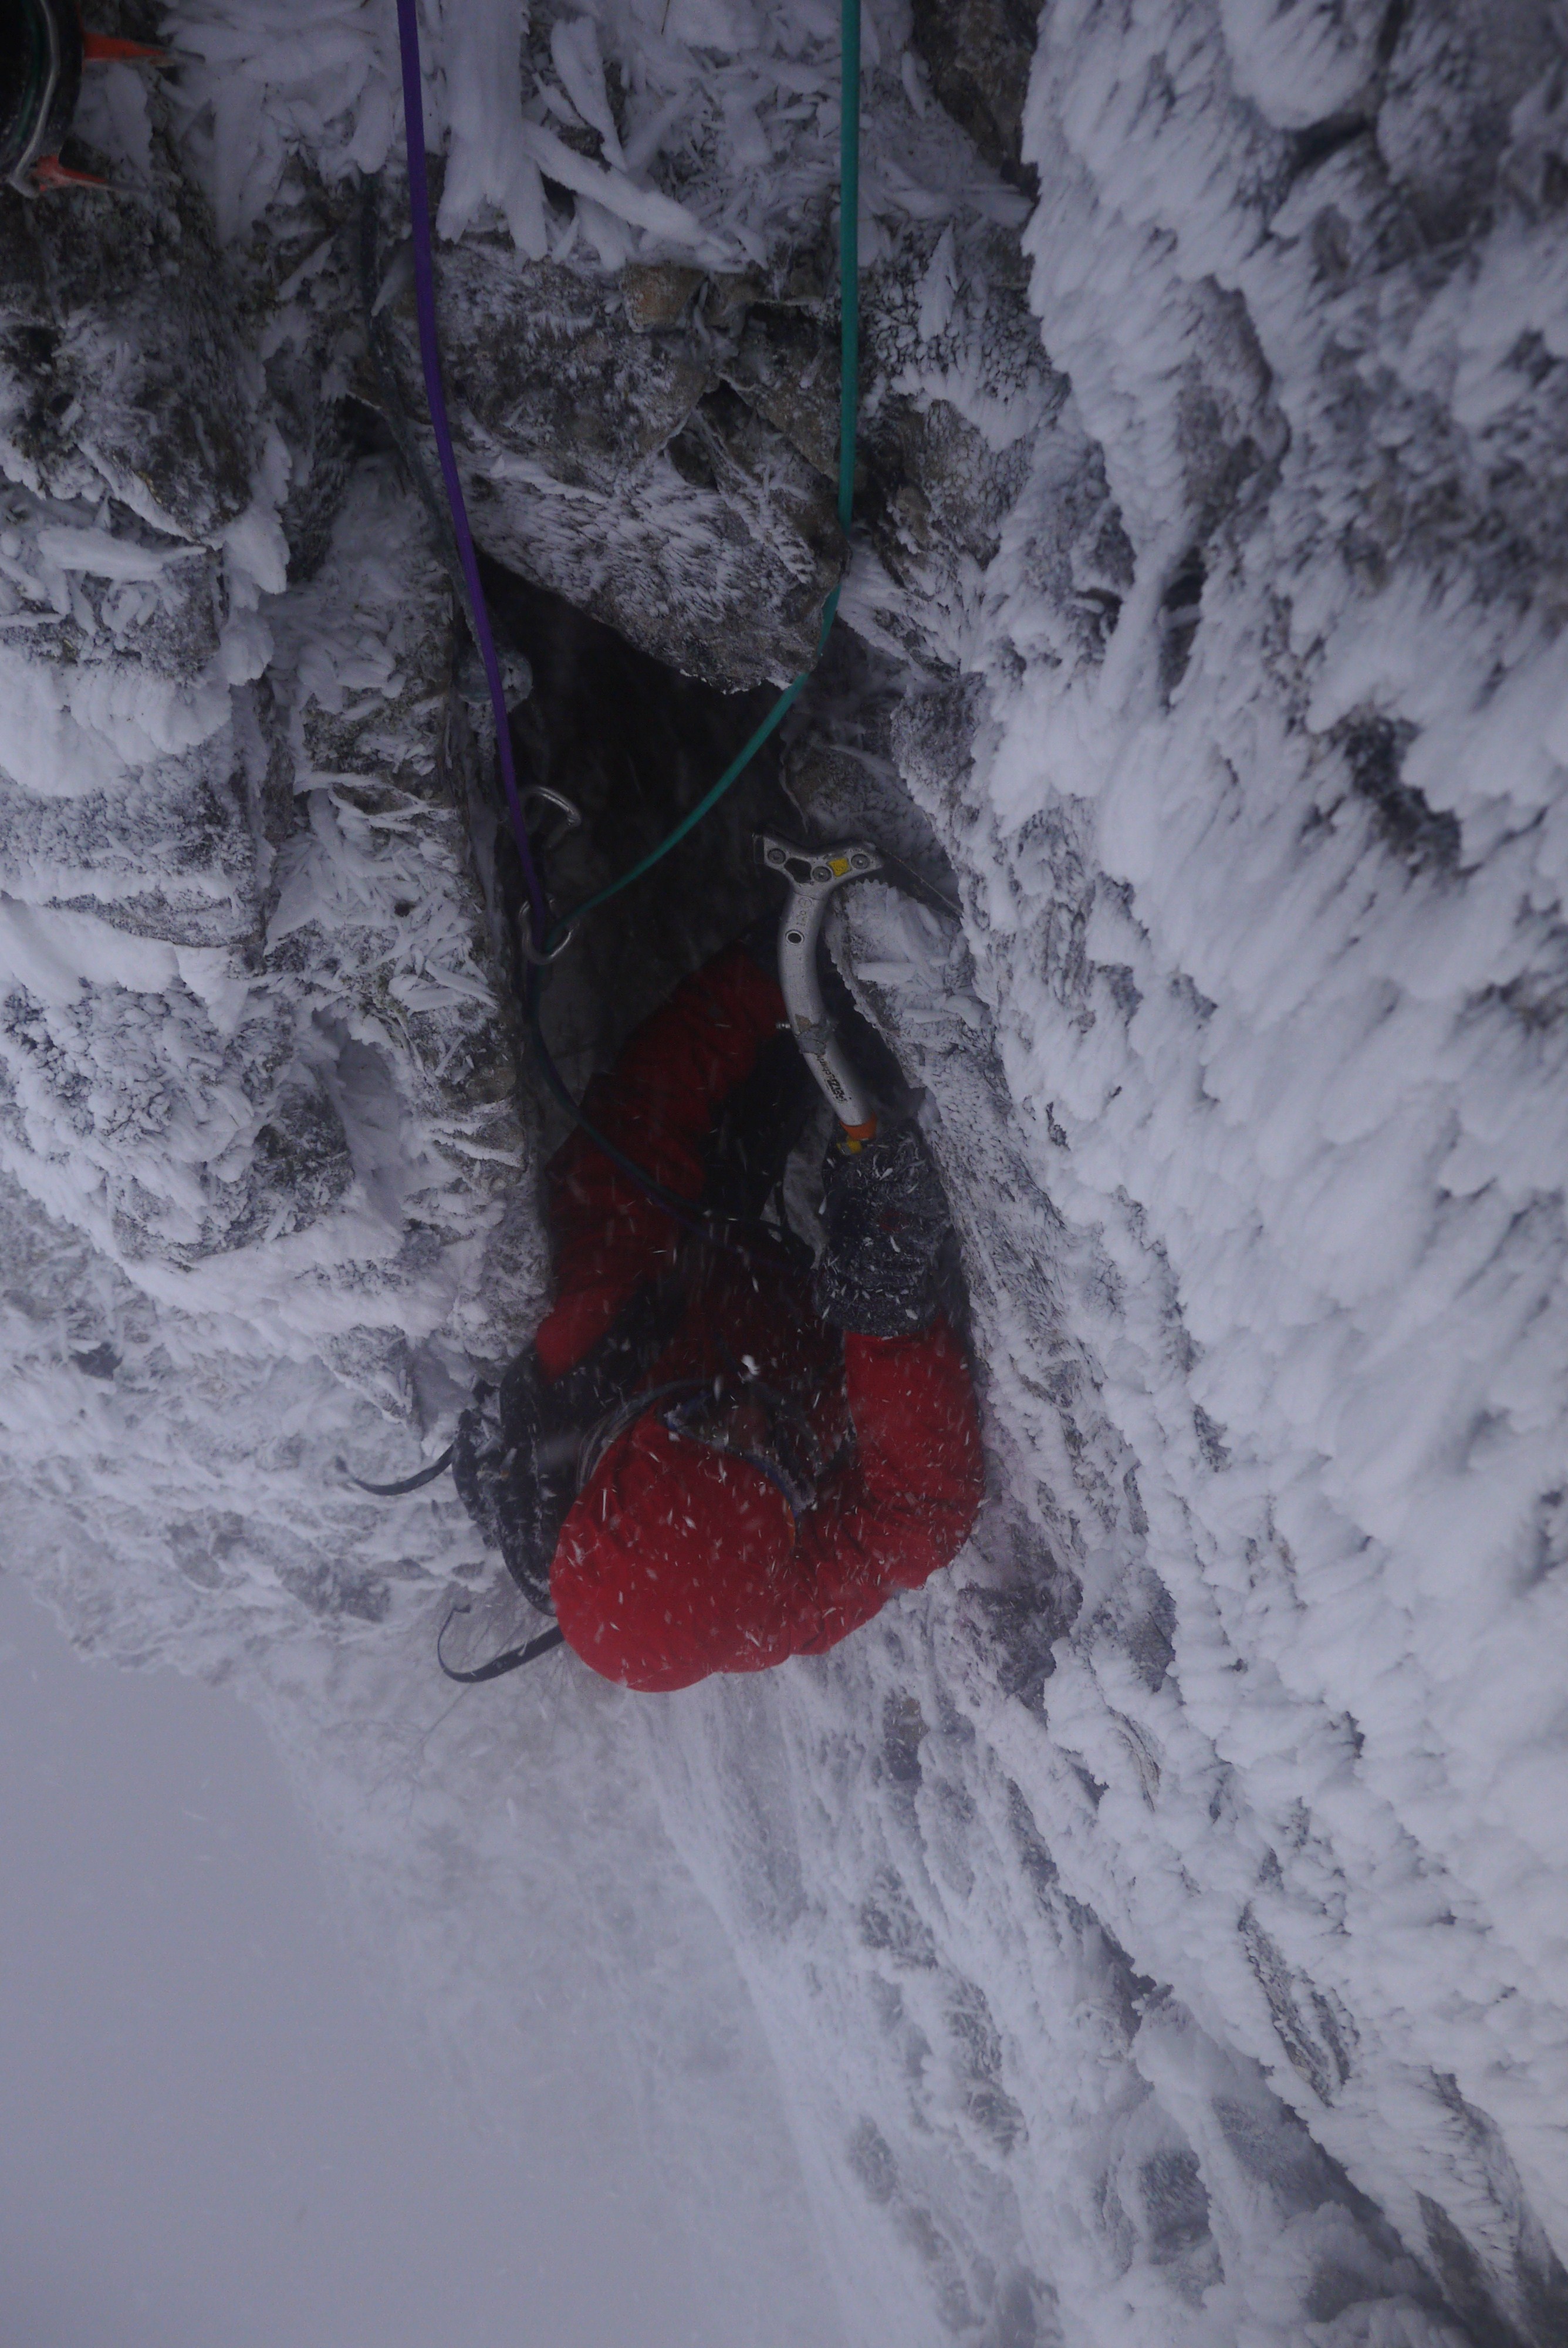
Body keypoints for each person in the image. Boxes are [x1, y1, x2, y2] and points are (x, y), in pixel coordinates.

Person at [452, 942, 984, 1693]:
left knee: (732, 1125)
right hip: (790, 1322)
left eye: (699, 1424)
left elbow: (648, 1107)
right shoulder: (756, 1603)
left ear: (629, 1438)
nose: (749, 1418)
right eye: (768, 1471)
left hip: (709, 1258)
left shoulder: (597, 1335)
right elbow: (922, 1510)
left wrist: (780, 983)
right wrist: (883, 1314)